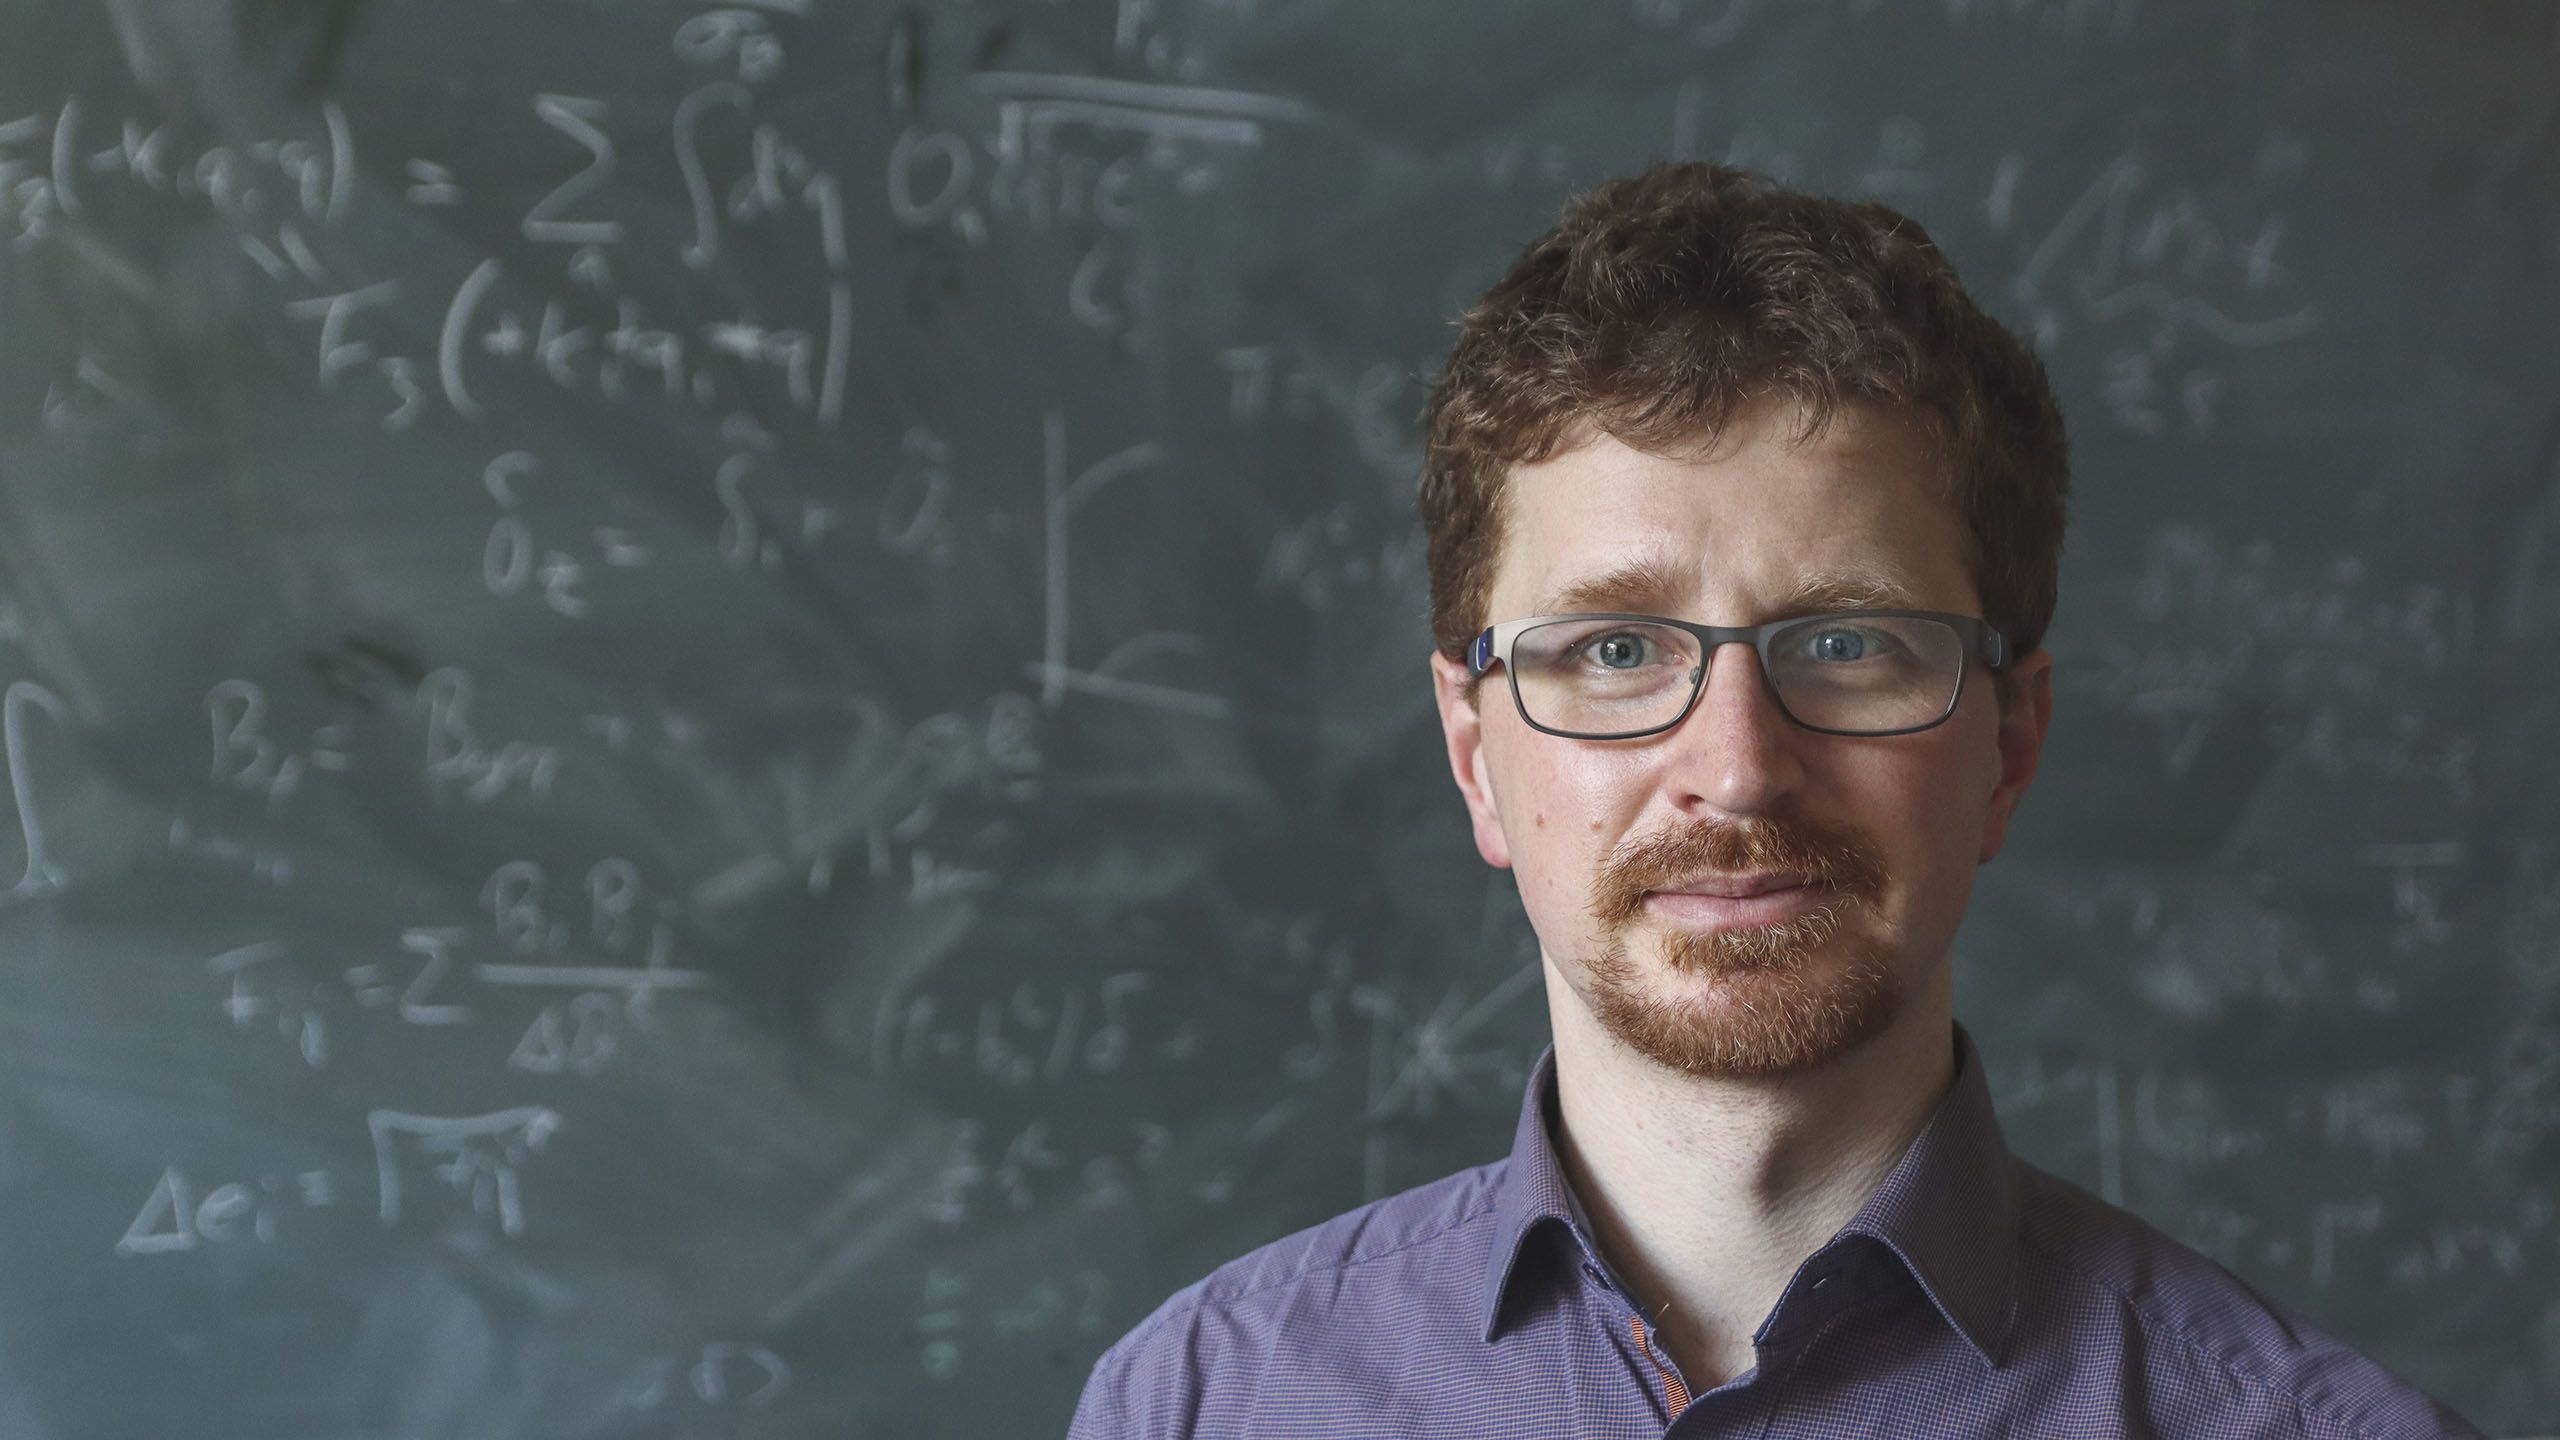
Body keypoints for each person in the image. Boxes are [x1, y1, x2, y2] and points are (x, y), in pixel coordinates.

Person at [1067, 162, 2480, 1438]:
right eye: (1615, 651)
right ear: (1473, 752)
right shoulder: (1202, 1404)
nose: (1737, 766)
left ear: (2011, 743)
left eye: (1851, 644)